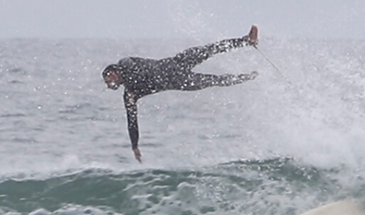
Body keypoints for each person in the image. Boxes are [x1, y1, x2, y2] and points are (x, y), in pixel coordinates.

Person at [103, 25, 260, 162]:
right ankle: (246, 77)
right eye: (108, 82)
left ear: (114, 70)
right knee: (214, 80)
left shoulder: (124, 64)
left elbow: (132, 70)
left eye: (109, 77)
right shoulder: (130, 94)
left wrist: (131, 91)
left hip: (176, 62)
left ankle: (246, 40)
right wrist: (135, 146)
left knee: (209, 49)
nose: (110, 82)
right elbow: (132, 122)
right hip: (179, 81)